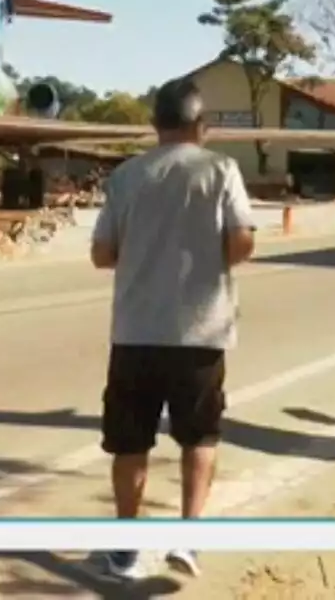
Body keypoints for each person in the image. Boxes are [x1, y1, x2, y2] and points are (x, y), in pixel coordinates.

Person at [87, 76, 257, 581]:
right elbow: (242, 241)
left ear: (155, 125)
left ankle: (125, 550)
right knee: (200, 438)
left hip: (136, 334)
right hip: (201, 335)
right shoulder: (221, 169)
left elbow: (101, 254)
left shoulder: (126, 176)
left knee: (129, 443)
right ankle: (188, 538)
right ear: (201, 126)